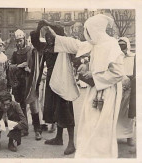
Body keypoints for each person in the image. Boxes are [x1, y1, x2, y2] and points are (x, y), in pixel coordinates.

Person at [46, 14, 124, 158]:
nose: (86, 34)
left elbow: (118, 73)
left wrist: (94, 76)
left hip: (106, 92)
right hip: (94, 90)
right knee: (89, 123)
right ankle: (90, 154)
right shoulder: (95, 43)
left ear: (95, 30)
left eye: (88, 30)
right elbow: (76, 45)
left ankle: (101, 155)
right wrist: (56, 38)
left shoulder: (111, 44)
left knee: (101, 126)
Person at [30, 21, 76, 155]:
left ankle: (71, 143)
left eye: (51, 36)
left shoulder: (63, 47)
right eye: (47, 36)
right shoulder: (46, 47)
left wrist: (49, 24)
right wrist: (40, 26)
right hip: (51, 82)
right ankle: (59, 138)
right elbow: (34, 39)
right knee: (56, 111)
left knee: (66, 111)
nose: (48, 38)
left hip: (62, 82)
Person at [9, 29, 42, 140]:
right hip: (20, 83)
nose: (19, 43)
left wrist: (30, 69)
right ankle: (24, 128)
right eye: (17, 41)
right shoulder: (15, 53)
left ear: (24, 39)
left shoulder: (31, 51)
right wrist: (19, 66)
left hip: (29, 82)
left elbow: (37, 65)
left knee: (33, 107)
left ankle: (37, 130)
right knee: (22, 107)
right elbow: (10, 67)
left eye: (20, 40)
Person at [116, 37, 136, 146]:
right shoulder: (115, 57)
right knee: (116, 113)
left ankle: (129, 137)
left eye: (123, 45)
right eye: (119, 45)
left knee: (129, 114)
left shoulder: (133, 57)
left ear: (127, 45)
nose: (121, 48)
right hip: (117, 87)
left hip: (130, 89)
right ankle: (115, 136)